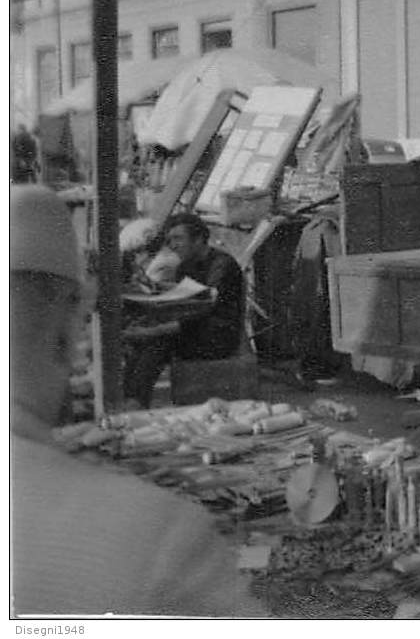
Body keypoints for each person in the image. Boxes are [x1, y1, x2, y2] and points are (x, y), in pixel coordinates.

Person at [10, 186, 264, 616]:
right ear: (68, 333)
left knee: (151, 345)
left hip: (210, 340)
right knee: (149, 346)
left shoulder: (221, 266)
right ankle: (134, 394)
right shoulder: (153, 534)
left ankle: (133, 394)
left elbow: (204, 312)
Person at [123, 212, 243, 408]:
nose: (173, 245)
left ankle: (135, 402)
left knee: (156, 341)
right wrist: (153, 289)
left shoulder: (222, 265)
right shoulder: (185, 266)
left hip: (217, 336)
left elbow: (203, 310)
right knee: (139, 338)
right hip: (193, 330)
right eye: (170, 240)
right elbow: (181, 305)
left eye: (178, 238)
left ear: (199, 239)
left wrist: (154, 330)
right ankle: (129, 397)